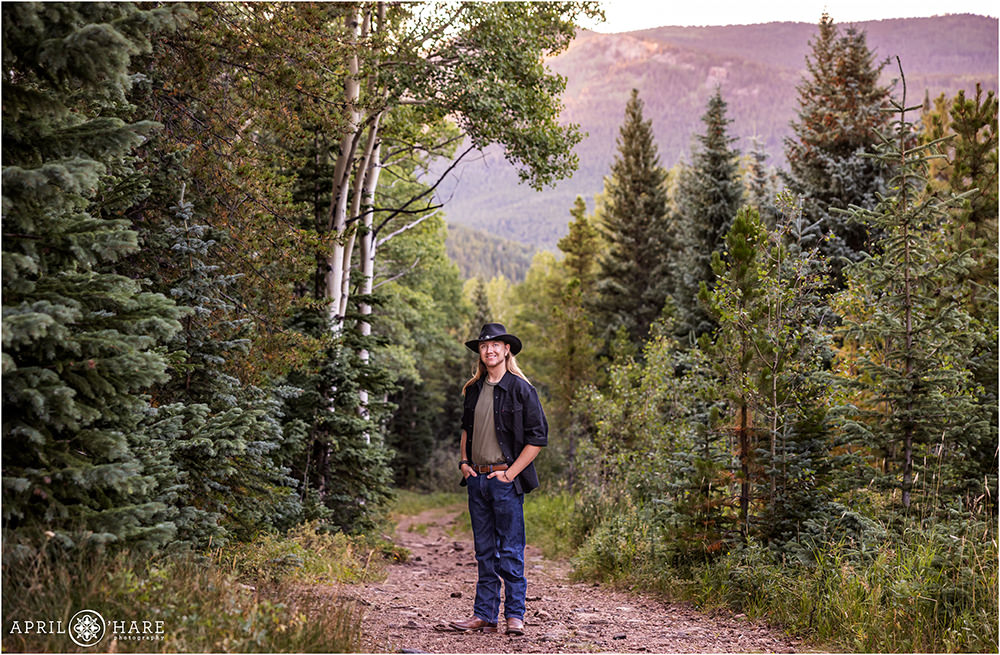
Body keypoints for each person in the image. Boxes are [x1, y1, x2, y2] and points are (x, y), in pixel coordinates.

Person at [448, 323, 548, 636]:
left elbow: (538, 438)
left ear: (506, 350)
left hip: (505, 481)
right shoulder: (473, 390)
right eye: (484, 345)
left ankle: (514, 615)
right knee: (484, 551)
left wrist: (510, 474)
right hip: (477, 480)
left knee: (511, 550)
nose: (489, 350)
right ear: (480, 352)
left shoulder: (521, 390)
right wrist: (464, 463)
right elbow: (467, 430)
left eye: (495, 345)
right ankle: (485, 614)